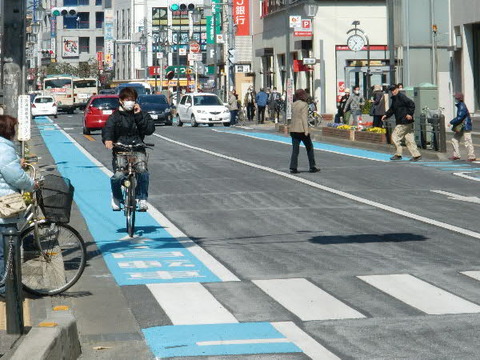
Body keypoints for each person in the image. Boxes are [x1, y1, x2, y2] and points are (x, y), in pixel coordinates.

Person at [102, 87, 155, 211]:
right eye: (127, 99)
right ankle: (116, 196)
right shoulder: (115, 116)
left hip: (138, 147)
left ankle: (142, 198)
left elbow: (149, 130)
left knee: (142, 171)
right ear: (121, 101)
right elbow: (108, 129)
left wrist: (139, 116)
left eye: (132, 100)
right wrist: (108, 140)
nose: (130, 102)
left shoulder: (142, 114)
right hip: (120, 149)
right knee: (119, 176)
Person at [0, 115, 35, 298]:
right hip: (4, 207)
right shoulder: (4, 148)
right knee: (4, 249)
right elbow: (15, 176)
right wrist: (31, 184)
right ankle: (6, 291)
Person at [382, 84, 422, 161]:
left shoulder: (402, 97)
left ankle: (398, 154)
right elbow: (392, 109)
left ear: (397, 89)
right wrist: (386, 115)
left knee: (395, 137)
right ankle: (416, 155)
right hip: (405, 121)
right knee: (409, 139)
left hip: (403, 121)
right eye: (391, 90)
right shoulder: (395, 98)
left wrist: (410, 114)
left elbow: (412, 104)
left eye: (394, 89)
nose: (393, 91)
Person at [289, 89, 319, 174]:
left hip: (293, 129)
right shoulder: (304, 105)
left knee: (295, 149)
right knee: (309, 147)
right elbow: (304, 118)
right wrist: (306, 131)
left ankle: (293, 167)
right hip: (301, 129)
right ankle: (312, 166)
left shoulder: (293, 104)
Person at [449, 92, 476, 161]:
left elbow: (460, 117)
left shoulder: (461, 106)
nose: (455, 99)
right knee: (455, 140)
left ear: (458, 98)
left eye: (456, 97)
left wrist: (451, 122)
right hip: (462, 126)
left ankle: (471, 156)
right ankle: (456, 155)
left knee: (467, 141)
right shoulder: (460, 105)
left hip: (465, 126)